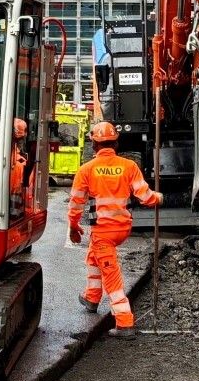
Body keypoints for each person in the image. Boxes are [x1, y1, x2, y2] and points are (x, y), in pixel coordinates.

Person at [68, 122, 162, 339]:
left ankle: (125, 322)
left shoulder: (86, 170)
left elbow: (76, 203)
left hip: (103, 232)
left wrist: (73, 227)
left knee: (111, 275)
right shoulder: (128, 166)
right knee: (94, 256)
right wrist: (159, 198)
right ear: (116, 143)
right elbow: (146, 197)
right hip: (122, 229)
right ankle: (92, 298)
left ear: (94, 145)